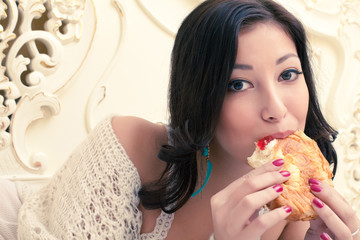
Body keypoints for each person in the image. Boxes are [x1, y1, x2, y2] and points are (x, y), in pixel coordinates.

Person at [0, 0, 359, 239]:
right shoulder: (129, 147)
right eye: (238, 83)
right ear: (201, 92)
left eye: (288, 75)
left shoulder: (300, 210)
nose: (277, 109)